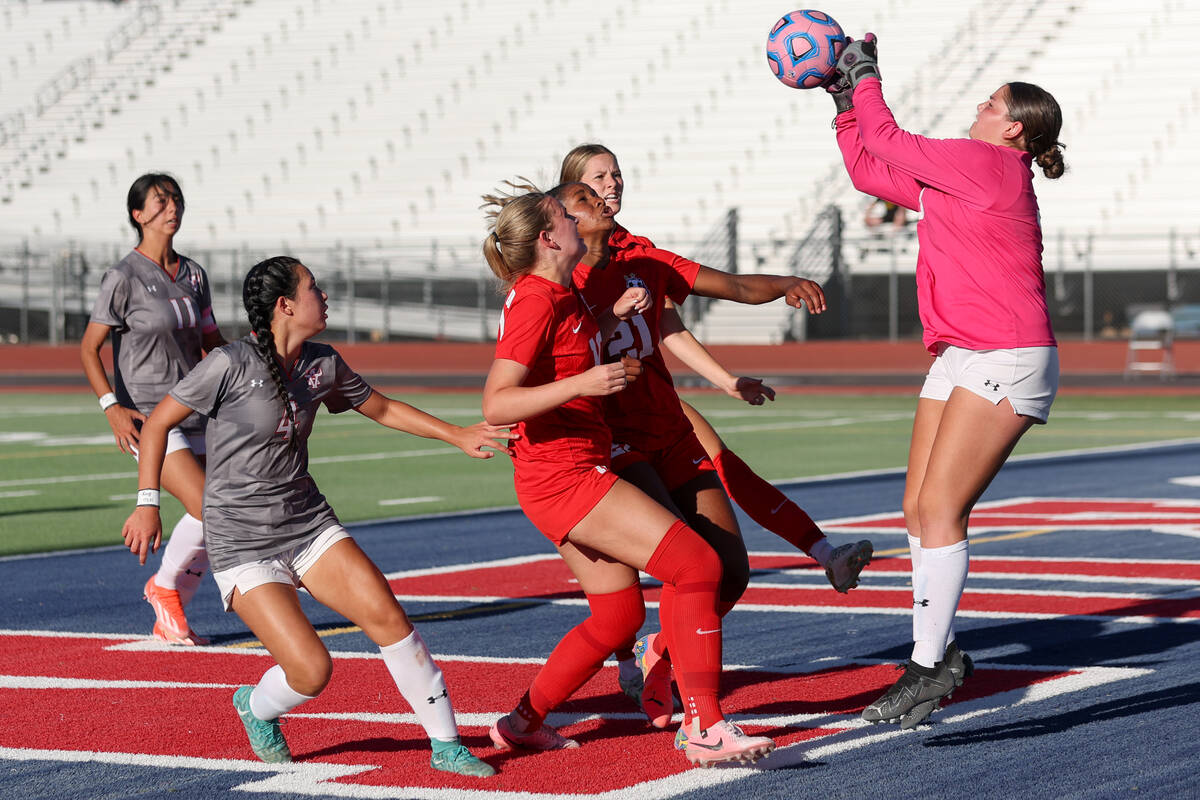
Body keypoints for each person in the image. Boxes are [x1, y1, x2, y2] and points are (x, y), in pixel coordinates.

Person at [120, 256, 507, 776]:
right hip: (243, 542)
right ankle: (254, 707)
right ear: (285, 306)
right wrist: (148, 504)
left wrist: (457, 434)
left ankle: (446, 744)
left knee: (388, 616)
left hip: (309, 526)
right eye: (312, 288)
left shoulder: (323, 362)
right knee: (311, 671)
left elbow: (384, 408)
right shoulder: (229, 363)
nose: (323, 296)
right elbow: (158, 423)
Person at [558, 145, 874, 709]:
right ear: (567, 205)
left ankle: (658, 657)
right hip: (606, 434)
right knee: (657, 575)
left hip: (660, 413)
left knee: (727, 569)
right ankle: (665, 698)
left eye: (615, 174)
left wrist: (731, 370)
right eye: (594, 182)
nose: (612, 184)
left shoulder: (639, 253)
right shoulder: (559, 271)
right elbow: (551, 352)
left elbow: (687, 310)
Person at [480, 183, 774, 767]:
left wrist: (608, 323)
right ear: (549, 237)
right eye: (566, 214)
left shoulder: (563, 296)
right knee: (698, 565)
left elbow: (568, 350)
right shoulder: (539, 299)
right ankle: (706, 726)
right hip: (565, 476)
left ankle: (521, 723)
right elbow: (495, 403)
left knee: (619, 616)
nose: (577, 218)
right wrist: (583, 384)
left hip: (565, 470)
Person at [827, 34, 1065, 728]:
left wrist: (865, 77)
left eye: (990, 104)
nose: (979, 108)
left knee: (941, 511)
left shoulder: (988, 164)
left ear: (1013, 128)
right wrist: (844, 102)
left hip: (1006, 352)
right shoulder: (964, 173)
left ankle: (929, 665)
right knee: (915, 508)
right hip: (965, 352)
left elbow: (888, 136)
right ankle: (940, 652)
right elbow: (871, 170)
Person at [80, 173, 224, 645]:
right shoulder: (122, 276)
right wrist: (111, 408)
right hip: (149, 414)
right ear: (138, 215)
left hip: (198, 408)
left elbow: (210, 342)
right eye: (160, 201)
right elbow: (89, 348)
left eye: (176, 199)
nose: (171, 207)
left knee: (225, 509)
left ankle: (170, 599)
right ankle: (163, 589)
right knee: (207, 508)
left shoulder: (195, 274)